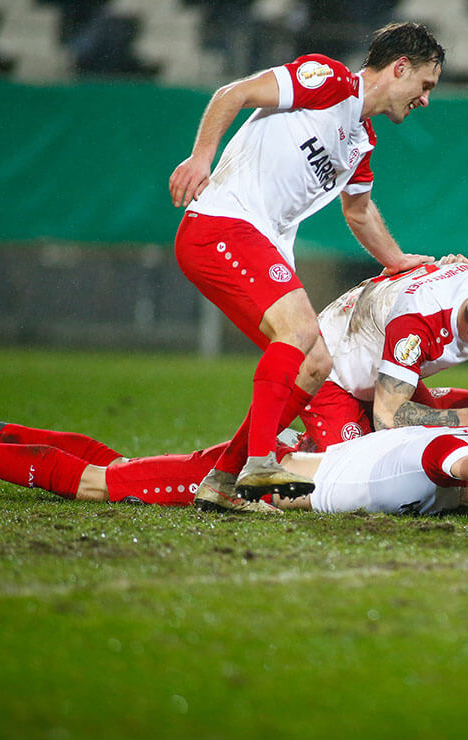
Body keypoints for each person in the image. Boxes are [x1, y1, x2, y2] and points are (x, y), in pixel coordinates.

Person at [168, 22, 444, 507]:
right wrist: (199, 158)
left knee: (317, 363)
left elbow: (358, 212)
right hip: (221, 224)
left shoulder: (361, 144)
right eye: (425, 85)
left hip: (254, 241)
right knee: (297, 332)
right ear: (400, 68)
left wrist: (397, 260)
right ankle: (260, 465)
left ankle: (222, 481)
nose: (425, 99)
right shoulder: (328, 79)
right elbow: (233, 94)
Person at [0, 411, 468, 517]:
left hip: (273, 470)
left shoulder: (452, 474)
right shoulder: (446, 455)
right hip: (256, 480)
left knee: (124, 465)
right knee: (97, 485)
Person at [299, 247, 468, 451]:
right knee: (357, 474)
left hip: (388, 373)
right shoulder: (416, 328)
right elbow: (388, 415)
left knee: (453, 443)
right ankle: (285, 449)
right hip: (332, 372)